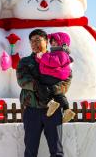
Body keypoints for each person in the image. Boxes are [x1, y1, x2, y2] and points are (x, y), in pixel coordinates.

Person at [17, 29, 64, 157]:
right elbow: (22, 80)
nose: (34, 43)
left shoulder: (57, 59)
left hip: (53, 110)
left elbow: (66, 79)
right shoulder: (25, 62)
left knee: (57, 150)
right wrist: (38, 86)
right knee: (30, 151)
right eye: (31, 41)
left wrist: (53, 89)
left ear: (47, 41)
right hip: (32, 110)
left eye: (38, 39)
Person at [36, 32, 76, 123]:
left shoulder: (62, 53)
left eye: (55, 41)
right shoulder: (56, 53)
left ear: (62, 42)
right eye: (52, 41)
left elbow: (53, 62)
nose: (53, 43)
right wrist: (40, 58)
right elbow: (48, 61)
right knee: (57, 93)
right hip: (53, 75)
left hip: (53, 75)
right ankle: (67, 110)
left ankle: (50, 103)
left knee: (41, 87)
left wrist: (43, 56)